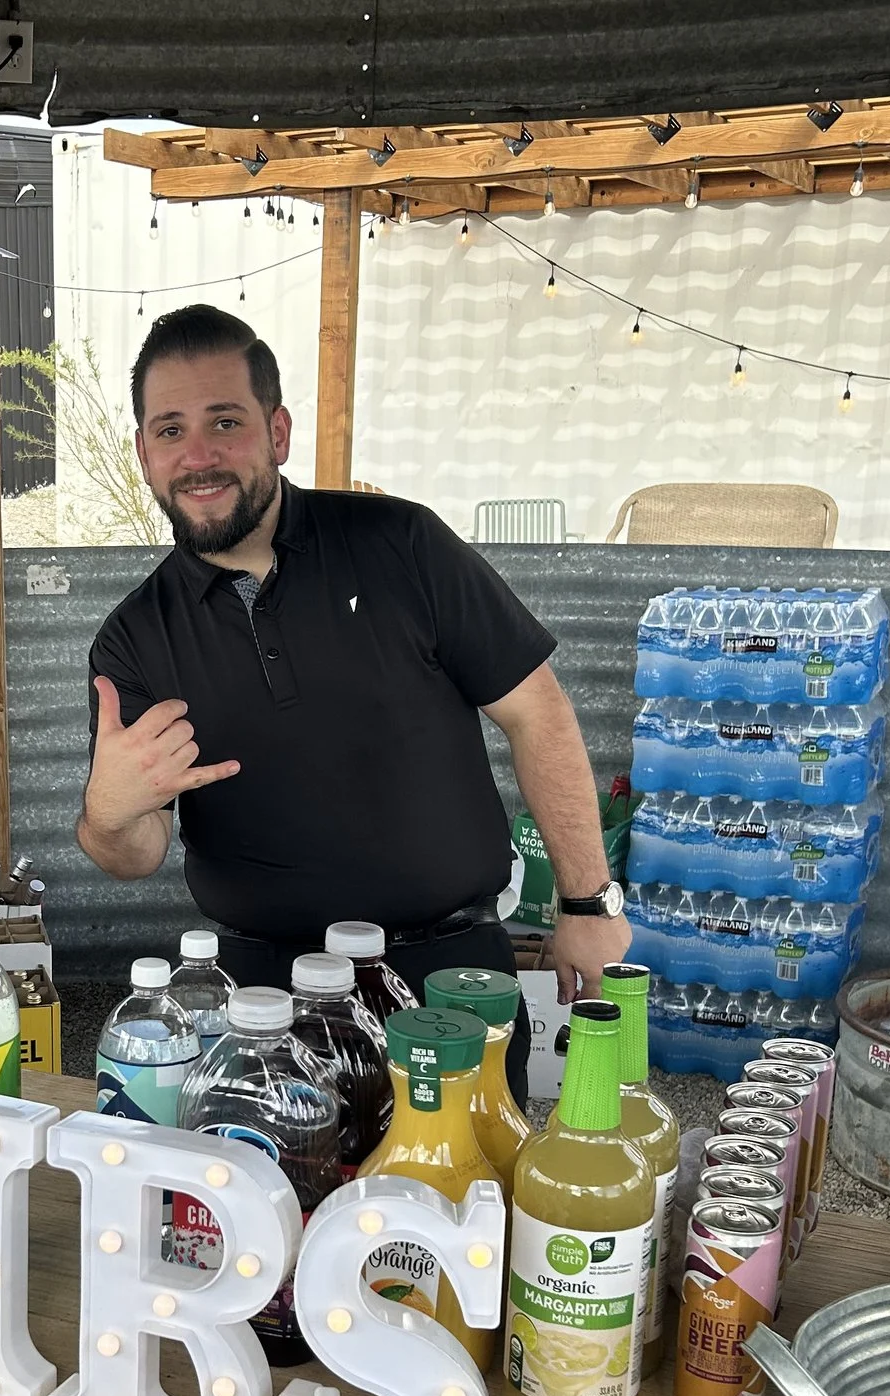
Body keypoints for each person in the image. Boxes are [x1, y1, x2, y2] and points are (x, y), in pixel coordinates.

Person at [77, 304, 630, 1043]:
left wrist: (587, 904)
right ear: (144, 453)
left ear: (277, 432)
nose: (198, 453)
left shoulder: (403, 544)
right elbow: (137, 852)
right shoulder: (134, 640)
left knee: (468, 1165)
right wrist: (107, 812)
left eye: (226, 422)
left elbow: (539, 712)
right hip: (260, 1000)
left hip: (451, 979)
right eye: (170, 430)